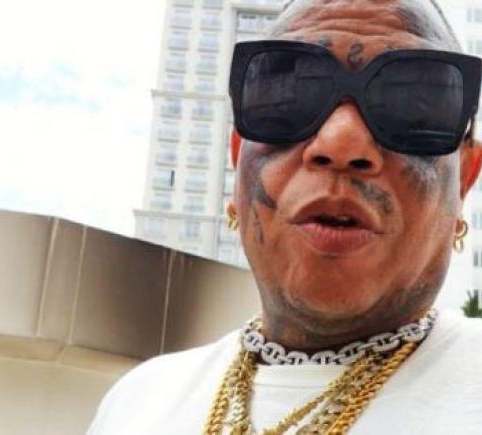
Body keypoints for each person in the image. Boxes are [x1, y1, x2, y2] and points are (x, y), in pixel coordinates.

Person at [87, 0, 482, 433]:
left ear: (464, 178)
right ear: (237, 159)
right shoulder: (138, 402)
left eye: (411, 106)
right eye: (289, 96)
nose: (341, 142)